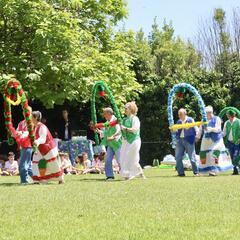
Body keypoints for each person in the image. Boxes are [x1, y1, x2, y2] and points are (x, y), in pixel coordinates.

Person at [197, 106, 232, 176]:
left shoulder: (217, 119)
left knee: (214, 154)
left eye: (206, 113)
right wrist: (197, 137)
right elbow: (200, 130)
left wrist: (210, 129)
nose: (205, 115)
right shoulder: (203, 120)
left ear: (210, 113)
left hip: (216, 140)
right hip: (206, 140)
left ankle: (214, 170)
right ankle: (204, 171)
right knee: (204, 155)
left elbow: (218, 129)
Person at [32, 111, 64, 184]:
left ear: (36, 118)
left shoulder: (42, 127)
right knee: (35, 162)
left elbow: (42, 138)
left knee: (53, 164)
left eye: (31, 117)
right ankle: (36, 180)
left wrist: (37, 142)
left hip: (48, 148)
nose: (30, 118)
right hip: (40, 148)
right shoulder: (35, 127)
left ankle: (60, 179)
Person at [120, 102, 145, 180]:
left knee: (130, 157)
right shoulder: (124, 120)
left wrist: (125, 128)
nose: (125, 109)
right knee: (126, 157)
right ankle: (140, 173)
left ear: (131, 109)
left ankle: (128, 175)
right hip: (126, 141)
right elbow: (120, 130)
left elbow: (135, 129)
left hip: (135, 141)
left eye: (126, 108)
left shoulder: (135, 119)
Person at [174, 108, 199, 177]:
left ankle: (196, 172)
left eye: (181, 114)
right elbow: (176, 131)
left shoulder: (190, 120)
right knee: (178, 157)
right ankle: (181, 173)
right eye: (179, 114)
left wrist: (197, 136)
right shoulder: (178, 121)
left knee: (192, 157)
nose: (179, 116)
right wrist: (173, 131)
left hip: (189, 140)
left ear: (185, 114)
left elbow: (196, 128)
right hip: (180, 140)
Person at [99, 108, 122, 180]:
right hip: (110, 144)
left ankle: (125, 174)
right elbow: (105, 134)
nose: (104, 115)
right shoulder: (107, 122)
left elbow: (119, 130)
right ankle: (110, 176)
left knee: (120, 160)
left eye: (104, 114)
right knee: (108, 159)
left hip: (117, 144)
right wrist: (98, 131)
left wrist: (113, 136)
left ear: (109, 113)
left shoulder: (116, 120)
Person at [16, 106, 33, 184]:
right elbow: (16, 133)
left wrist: (21, 133)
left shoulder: (32, 122)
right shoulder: (21, 123)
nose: (25, 113)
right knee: (28, 165)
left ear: (30, 112)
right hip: (22, 146)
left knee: (22, 164)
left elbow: (29, 133)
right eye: (24, 111)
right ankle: (38, 178)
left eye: (27, 111)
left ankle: (24, 181)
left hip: (29, 145)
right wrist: (16, 133)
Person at [223, 110, 240, 175]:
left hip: (237, 142)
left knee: (236, 156)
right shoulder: (226, 122)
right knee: (232, 157)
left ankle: (237, 169)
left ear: (231, 115)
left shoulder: (238, 121)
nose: (227, 115)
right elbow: (224, 133)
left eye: (228, 114)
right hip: (229, 142)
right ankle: (235, 171)